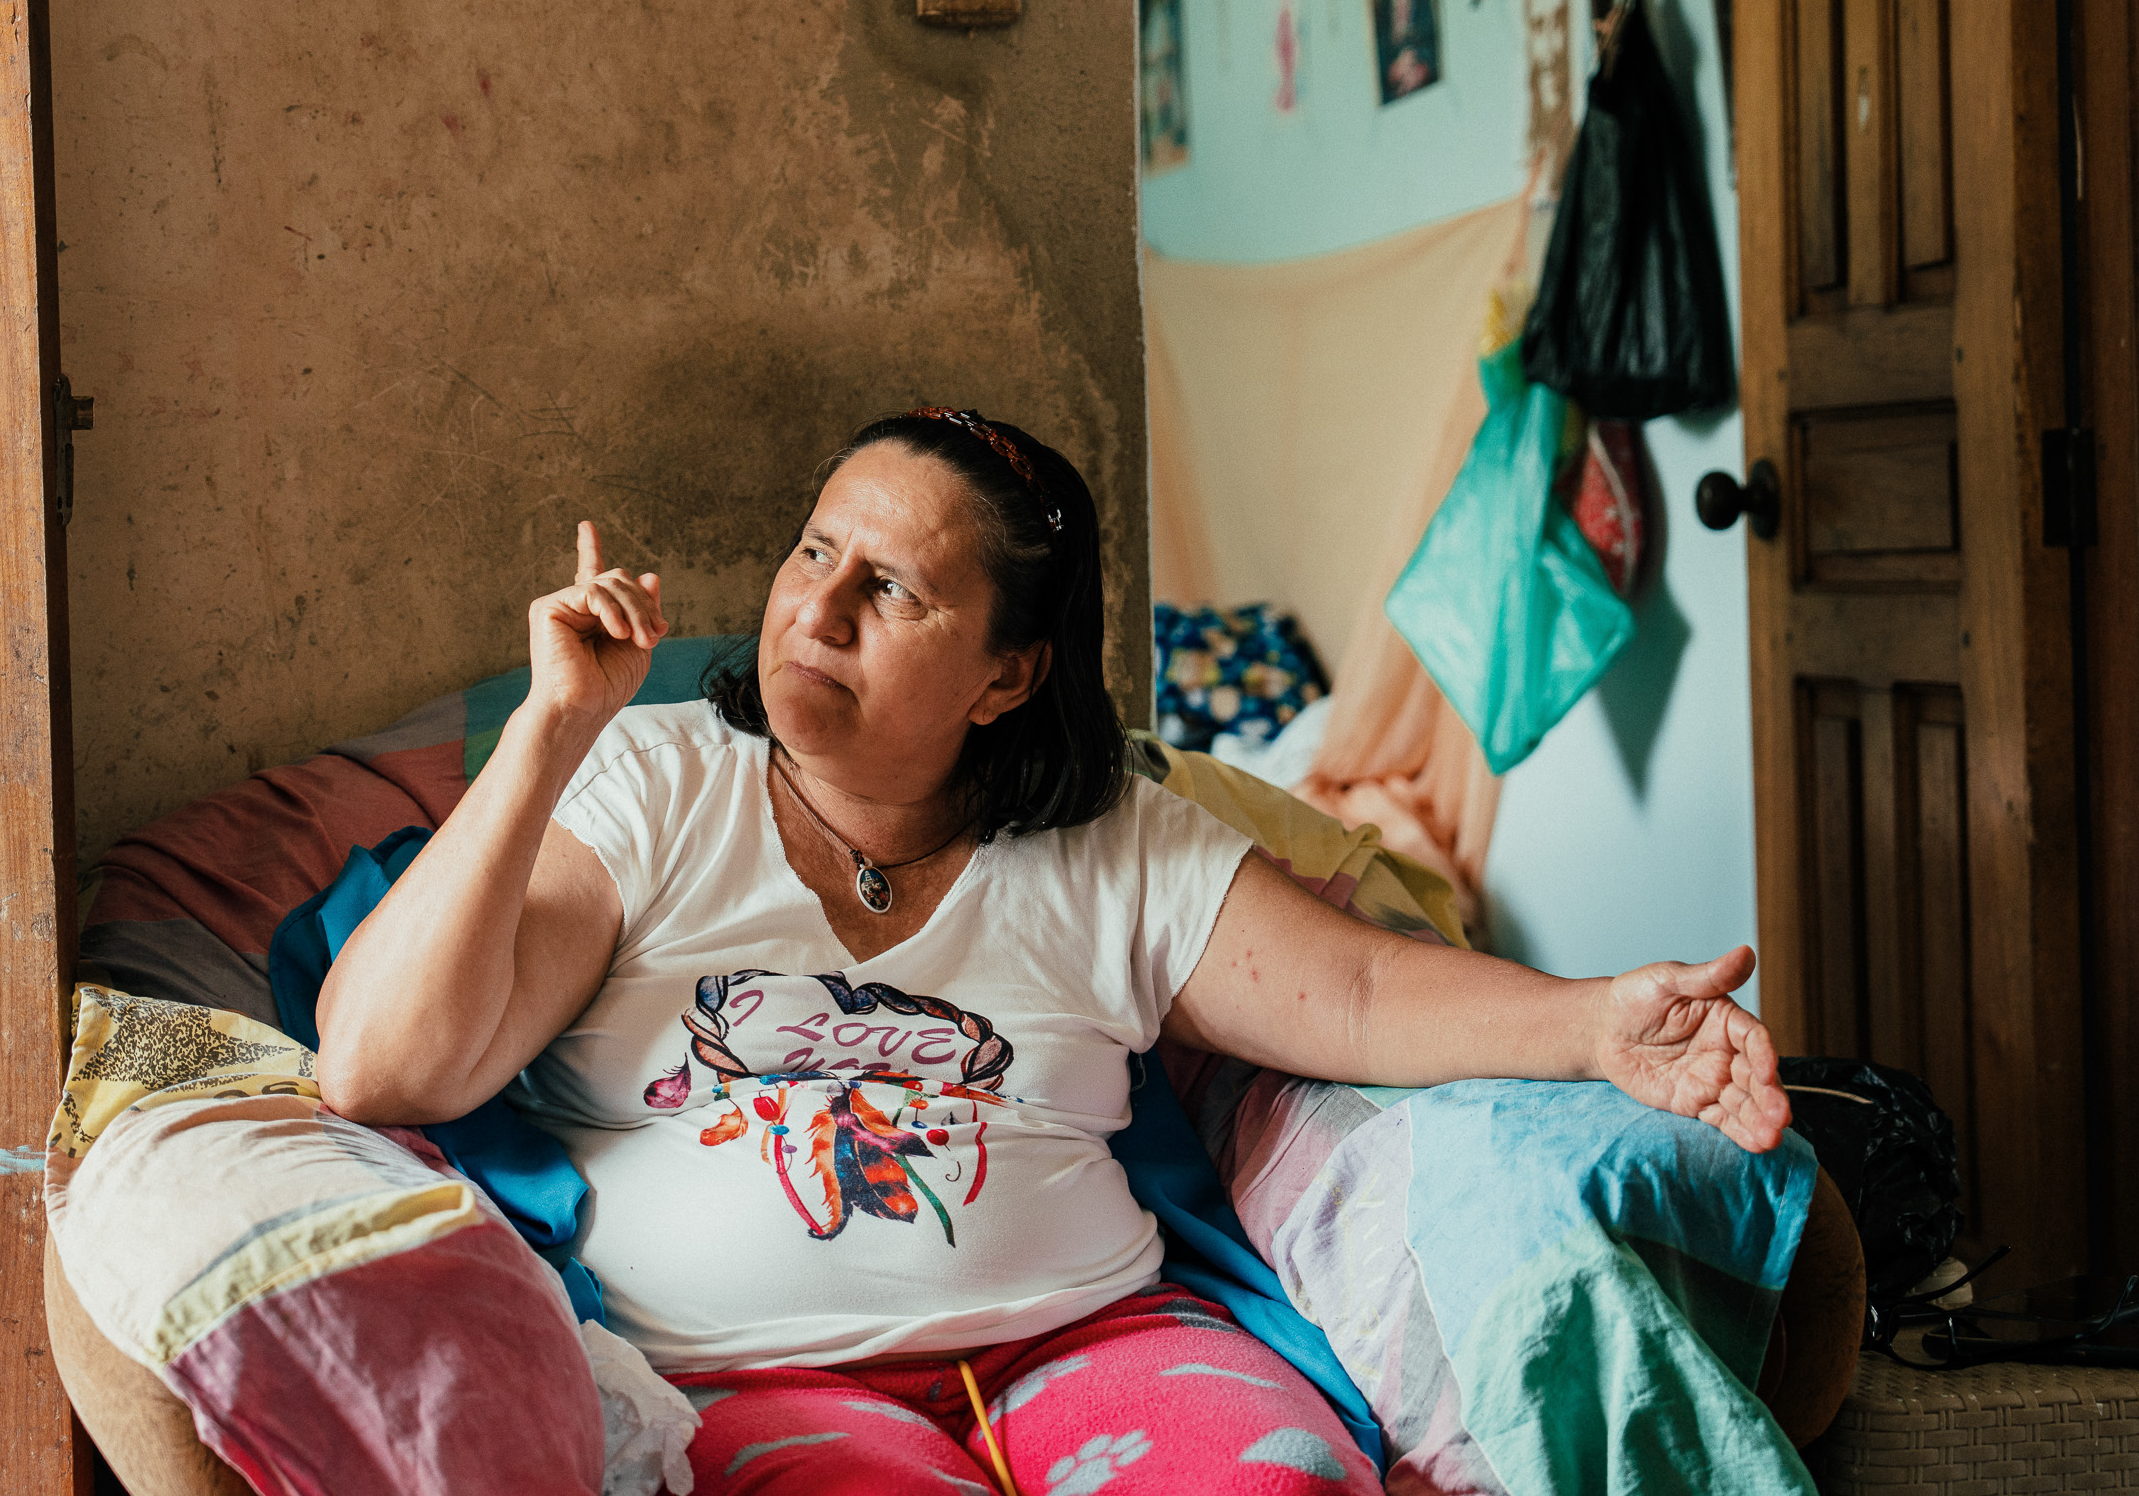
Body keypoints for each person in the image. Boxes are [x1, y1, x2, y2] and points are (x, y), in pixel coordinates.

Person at [315, 408, 1790, 1496]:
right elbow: (381, 1066)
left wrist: (1600, 1022)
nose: (812, 608)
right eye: (813, 552)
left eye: (888, 589)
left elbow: (1353, 987)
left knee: (1282, 1485)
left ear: (1008, 674)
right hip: (751, 1382)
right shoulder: (653, 784)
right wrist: (548, 734)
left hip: (1099, 1343)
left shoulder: (1112, 839)